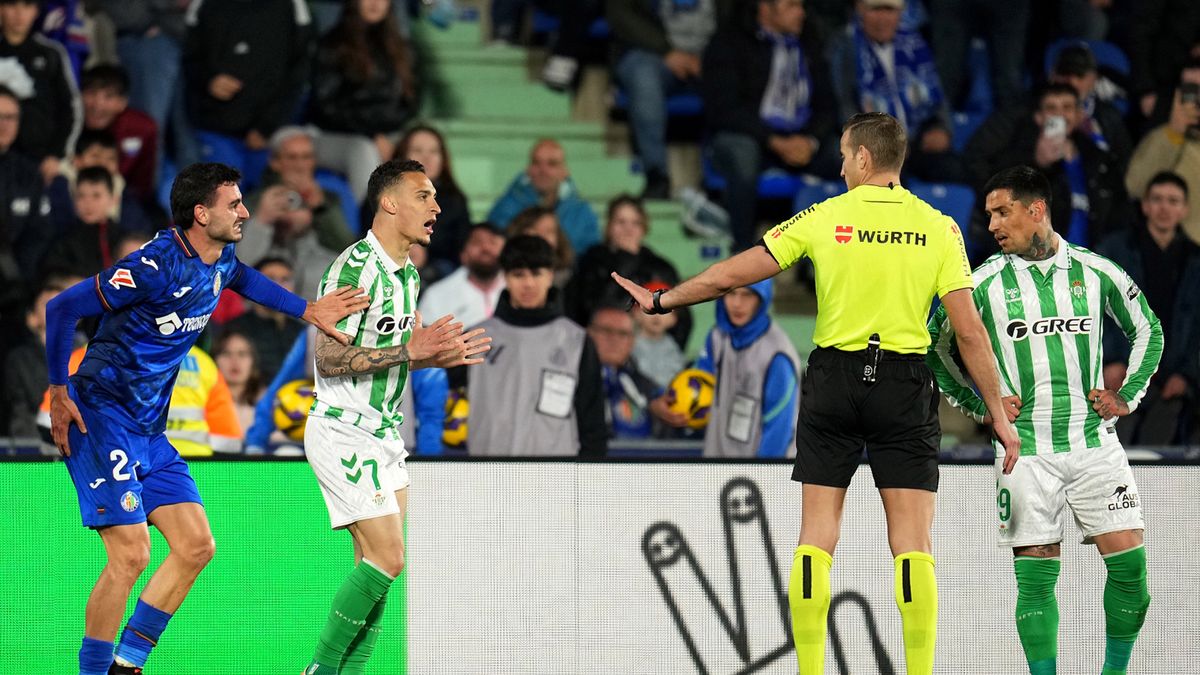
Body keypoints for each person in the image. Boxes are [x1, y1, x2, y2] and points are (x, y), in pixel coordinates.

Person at [611, 111, 1018, 675]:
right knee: (912, 541)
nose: (842, 165)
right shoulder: (940, 227)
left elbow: (734, 273)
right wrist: (996, 411)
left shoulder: (826, 215)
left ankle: (808, 669)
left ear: (865, 158)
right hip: (902, 381)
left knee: (817, 535)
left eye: (846, 155)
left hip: (834, 379)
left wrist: (661, 301)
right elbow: (969, 331)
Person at [44, 161, 368, 675]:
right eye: (234, 204)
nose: (244, 212)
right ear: (201, 213)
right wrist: (59, 391)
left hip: (150, 431)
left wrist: (308, 309)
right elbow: (61, 308)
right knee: (131, 555)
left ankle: (127, 665)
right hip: (100, 416)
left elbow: (243, 278)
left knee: (196, 546)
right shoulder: (153, 265)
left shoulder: (221, 257)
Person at [927, 166, 1161, 675]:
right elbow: (935, 348)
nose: (991, 224)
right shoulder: (981, 281)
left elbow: (1149, 329)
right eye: (988, 214)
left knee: (1133, 573)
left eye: (1001, 212)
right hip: (1024, 450)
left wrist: (1127, 398)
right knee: (1035, 581)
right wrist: (981, 406)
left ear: (1037, 210)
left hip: (1094, 443)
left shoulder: (1095, 270)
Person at [302, 158, 490, 674]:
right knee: (389, 559)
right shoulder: (355, 268)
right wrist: (411, 352)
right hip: (343, 427)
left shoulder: (406, 274)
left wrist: (434, 354)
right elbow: (328, 357)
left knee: (375, 568)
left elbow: (402, 345)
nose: (436, 206)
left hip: (383, 434)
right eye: (424, 196)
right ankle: (319, 668)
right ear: (389, 203)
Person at [702, 0, 840, 250]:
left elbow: (828, 107)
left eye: (801, 6)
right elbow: (723, 109)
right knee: (743, 154)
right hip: (751, 137)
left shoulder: (809, 43)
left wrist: (810, 140)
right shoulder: (730, 42)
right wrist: (772, 140)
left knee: (853, 156)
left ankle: (843, 249)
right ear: (765, 9)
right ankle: (742, 250)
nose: (801, 13)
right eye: (791, 6)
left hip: (801, 140)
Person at [453, 234, 607, 456]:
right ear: (505, 277)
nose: (528, 283)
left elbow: (592, 421)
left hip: (555, 475)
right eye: (518, 275)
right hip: (486, 471)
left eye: (536, 273)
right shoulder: (476, 338)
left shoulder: (576, 340)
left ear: (550, 276)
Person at [1097, 172, 1200, 445]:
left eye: (1173, 201)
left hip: (1172, 382)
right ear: (1145, 206)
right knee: (1115, 450)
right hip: (1121, 374)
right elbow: (1095, 311)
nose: (1164, 208)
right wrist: (1110, 361)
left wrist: (1186, 375)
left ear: (1184, 209)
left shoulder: (1195, 260)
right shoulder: (1113, 251)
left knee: (1159, 455)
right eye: (1157, 199)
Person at [966, 83, 1131, 253]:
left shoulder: (1097, 158)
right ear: (1039, 117)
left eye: (1067, 107)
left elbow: (1119, 208)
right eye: (1051, 108)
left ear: (1079, 115)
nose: (1059, 114)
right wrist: (1037, 162)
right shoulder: (1018, 155)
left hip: (1087, 261)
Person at [607, 0, 733, 199]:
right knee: (643, 76)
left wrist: (714, 58)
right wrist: (666, 51)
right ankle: (656, 175)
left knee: (737, 77)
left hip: (714, 56)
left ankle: (723, 181)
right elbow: (622, 14)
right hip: (653, 53)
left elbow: (741, 20)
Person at [311, 0, 417, 201]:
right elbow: (326, 106)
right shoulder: (333, 45)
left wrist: (388, 137)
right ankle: (371, 222)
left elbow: (410, 101)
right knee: (364, 151)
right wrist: (372, 135)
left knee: (421, 146)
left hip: (388, 133)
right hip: (339, 135)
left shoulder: (402, 48)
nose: (375, 3)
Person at [566, 194, 691, 348]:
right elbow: (585, 309)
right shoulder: (590, 262)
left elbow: (682, 321)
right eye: (621, 222)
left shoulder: (661, 267)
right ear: (609, 226)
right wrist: (625, 258)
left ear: (644, 228)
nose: (628, 229)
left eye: (635, 223)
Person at [695, 278, 801, 457]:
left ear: (762, 298)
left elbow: (778, 431)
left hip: (762, 473)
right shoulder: (716, 338)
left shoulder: (778, 355)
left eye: (747, 295)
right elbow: (696, 387)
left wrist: (760, 475)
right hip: (715, 468)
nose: (737, 303)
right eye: (731, 294)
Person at [0, 0, 81, 184]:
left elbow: (70, 108)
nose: (19, 14)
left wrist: (57, 155)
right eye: (12, 5)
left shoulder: (51, 53)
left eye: (27, 5)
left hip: (42, 160)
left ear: (36, 11)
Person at [1125, 59, 1200, 244]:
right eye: (1190, 89)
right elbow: (1135, 187)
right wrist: (1173, 133)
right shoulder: (1163, 138)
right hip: (1179, 258)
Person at [588, 305, 686, 439]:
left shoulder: (647, 388)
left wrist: (657, 414)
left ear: (632, 341)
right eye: (606, 331)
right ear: (589, 333)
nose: (614, 340)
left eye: (622, 334)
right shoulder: (572, 379)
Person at [487, 138, 601, 254]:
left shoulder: (582, 213)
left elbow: (591, 257)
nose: (543, 170)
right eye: (536, 163)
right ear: (528, 169)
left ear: (564, 172)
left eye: (552, 164)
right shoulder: (504, 208)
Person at [395, 125, 470, 276]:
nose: (426, 158)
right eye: (417, 150)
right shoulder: (381, 194)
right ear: (402, 156)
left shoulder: (455, 200)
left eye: (433, 151)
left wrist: (424, 250)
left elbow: (460, 250)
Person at [79, 64, 158, 204]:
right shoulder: (65, 124)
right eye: (91, 93)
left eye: (108, 96)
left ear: (123, 102)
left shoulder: (142, 128)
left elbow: (143, 184)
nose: (98, 104)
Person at [221, 257, 305, 384]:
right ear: (253, 286)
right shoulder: (235, 330)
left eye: (285, 280)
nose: (279, 286)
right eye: (270, 279)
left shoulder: (302, 332)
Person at [418, 221, 506, 329]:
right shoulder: (436, 296)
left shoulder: (519, 287)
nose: (486, 248)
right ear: (463, 255)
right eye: (477, 242)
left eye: (493, 242)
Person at [630, 282, 685, 389]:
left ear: (674, 319)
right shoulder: (630, 343)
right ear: (636, 314)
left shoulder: (671, 346)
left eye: (664, 309)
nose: (657, 315)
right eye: (650, 308)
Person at [507, 205, 576, 288]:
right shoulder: (501, 275)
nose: (542, 236)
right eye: (534, 229)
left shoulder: (572, 278)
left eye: (549, 231)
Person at [211, 330, 263, 437]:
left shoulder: (267, 403)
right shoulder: (203, 402)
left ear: (253, 362)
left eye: (242, 354)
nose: (235, 361)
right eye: (226, 354)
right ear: (213, 360)